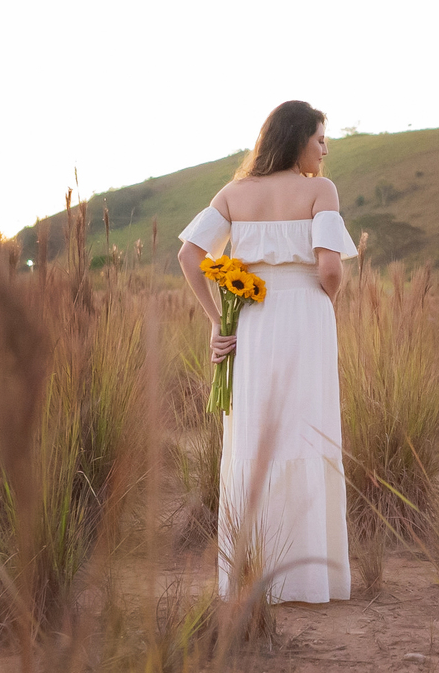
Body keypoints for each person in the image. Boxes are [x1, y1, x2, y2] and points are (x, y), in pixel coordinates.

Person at [177, 100, 357, 604]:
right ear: (298, 137)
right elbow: (329, 269)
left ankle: (254, 574)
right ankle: (308, 577)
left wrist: (218, 322)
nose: (324, 151)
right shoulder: (320, 190)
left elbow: (189, 256)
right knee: (308, 428)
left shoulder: (233, 194)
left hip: (251, 321)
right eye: (320, 139)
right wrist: (327, 304)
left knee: (255, 436)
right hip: (306, 315)